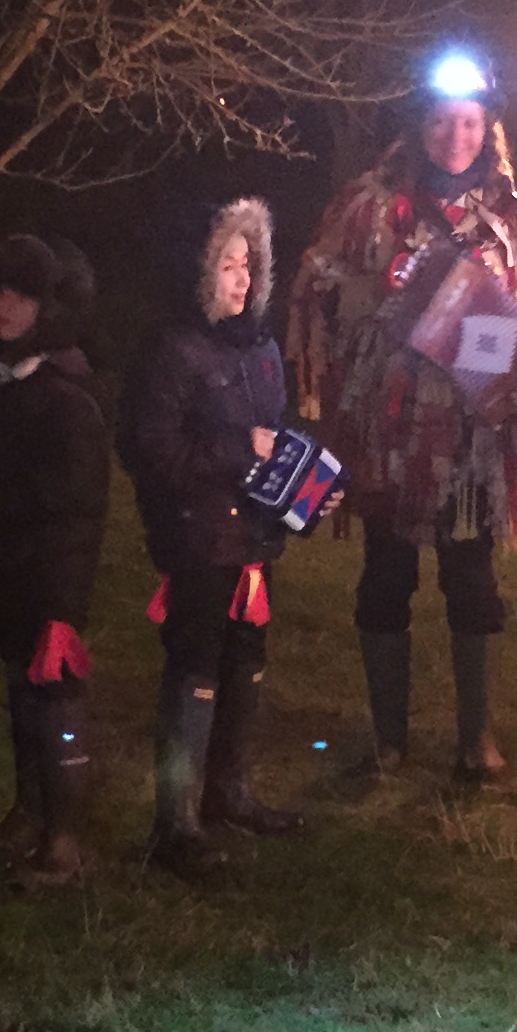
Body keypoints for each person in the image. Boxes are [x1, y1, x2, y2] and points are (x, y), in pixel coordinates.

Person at [288, 49, 517, 782]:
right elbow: (313, 286)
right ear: (421, 126)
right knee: (385, 577)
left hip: (473, 438)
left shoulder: (516, 220)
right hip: (387, 430)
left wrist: (511, 356)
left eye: (471, 122)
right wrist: (368, 303)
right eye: (444, 120)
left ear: (488, 129)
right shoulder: (368, 205)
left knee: (472, 582)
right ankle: (389, 743)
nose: (457, 134)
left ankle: (474, 742)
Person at [120, 196, 307, 877]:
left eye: (249, 265)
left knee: (244, 660)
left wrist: (304, 489)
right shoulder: (173, 350)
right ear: (200, 272)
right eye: (228, 265)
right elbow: (152, 448)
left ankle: (230, 791)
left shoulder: (261, 350)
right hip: (198, 541)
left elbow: (270, 443)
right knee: (194, 665)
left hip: (252, 544)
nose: (242, 280)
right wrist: (241, 450)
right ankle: (176, 821)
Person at [0, 234, 111, 888]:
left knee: (54, 697)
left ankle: (64, 841)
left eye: (23, 296)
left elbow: (72, 499)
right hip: (8, 564)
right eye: (2, 293)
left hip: (51, 572)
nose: (7, 307)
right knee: (20, 689)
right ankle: (28, 811)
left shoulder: (66, 395)